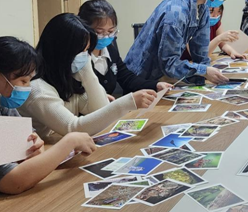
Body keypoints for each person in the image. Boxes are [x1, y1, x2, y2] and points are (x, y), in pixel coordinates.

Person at [0, 37, 96, 200]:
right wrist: (70, 141)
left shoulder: (1, 104)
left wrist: (33, 149)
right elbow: (13, 182)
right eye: (23, 81)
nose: (27, 88)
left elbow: (26, 154)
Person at [18, 14, 157, 141]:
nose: (86, 57)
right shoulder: (37, 88)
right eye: (81, 51)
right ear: (62, 52)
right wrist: (128, 102)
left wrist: (87, 73)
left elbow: (100, 110)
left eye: (86, 51)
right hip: (44, 151)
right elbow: (73, 127)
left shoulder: (67, 75)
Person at [125, 0, 239, 86]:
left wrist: (205, 73)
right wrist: (204, 71)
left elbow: (201, 52)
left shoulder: (200, 0)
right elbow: (169, 63)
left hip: (161, 76)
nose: (223, 0)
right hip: (141, 78)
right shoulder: (176, 14)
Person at [78, 0, 172, 95]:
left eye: (110, 31)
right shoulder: (78, 58)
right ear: (84, 29)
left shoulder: (110, 50)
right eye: (99, 32)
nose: (106, 37)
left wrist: (155, 85)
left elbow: (127, 78)